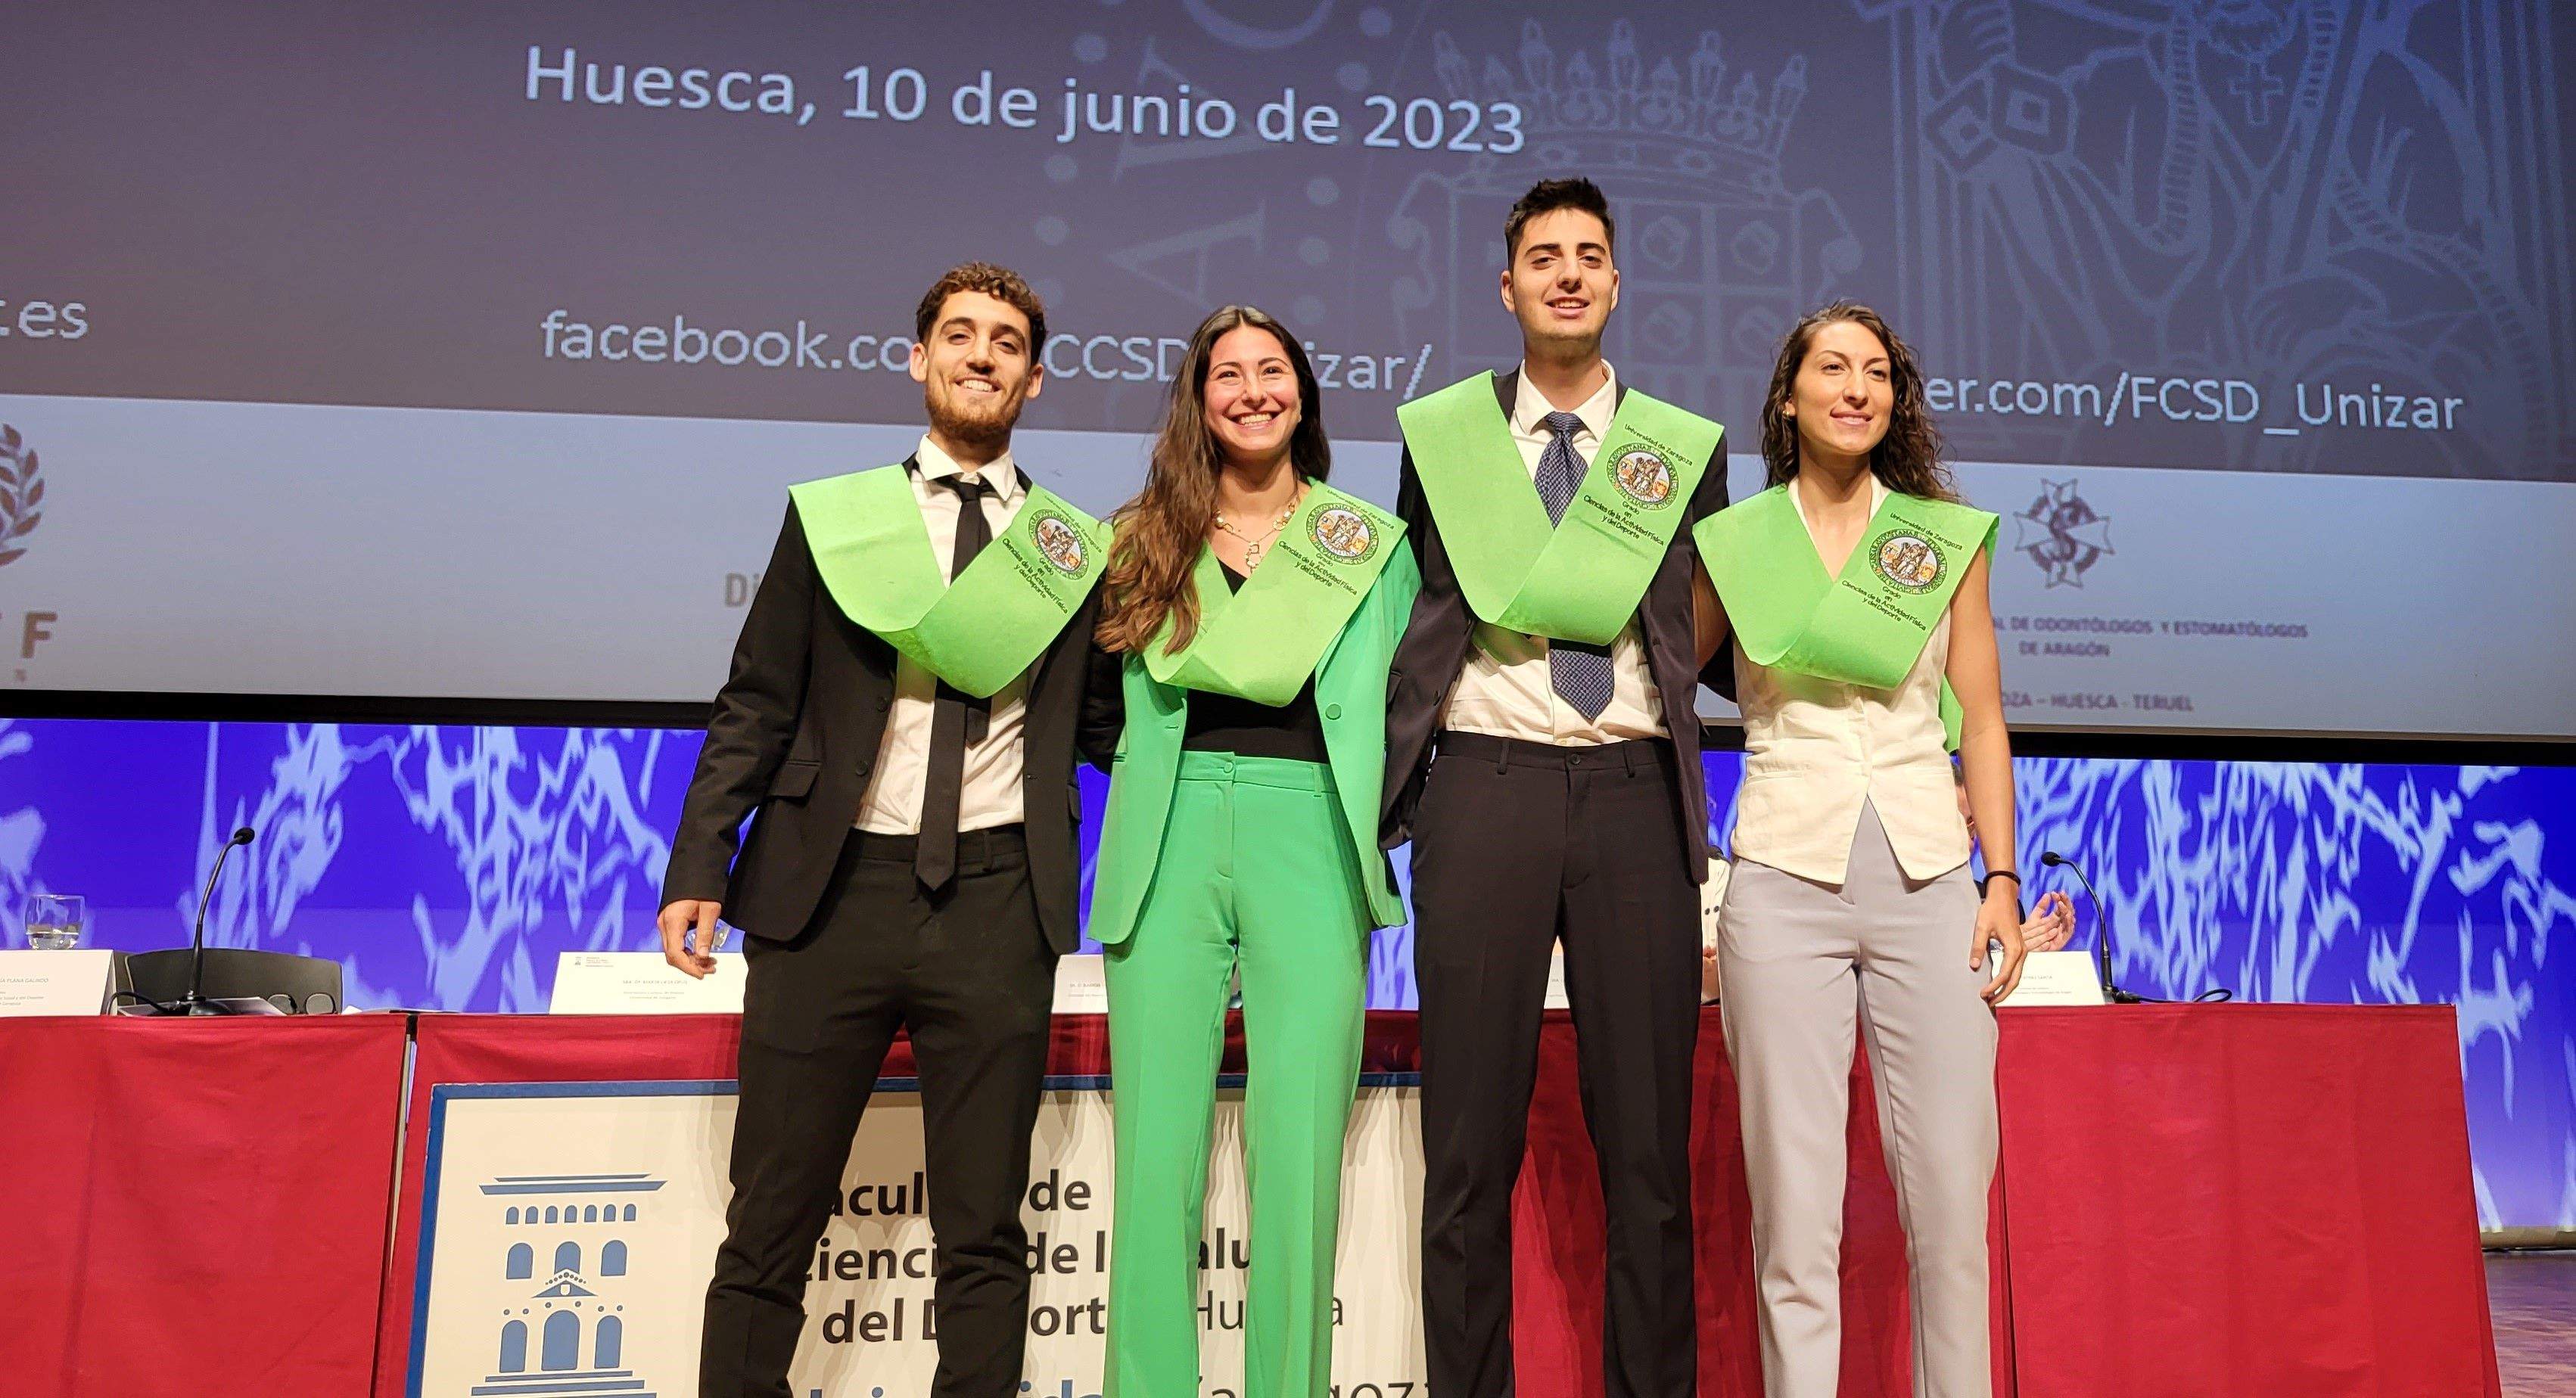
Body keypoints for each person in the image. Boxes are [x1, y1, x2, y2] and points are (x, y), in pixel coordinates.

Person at [657, 263, 1111, 1398]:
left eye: (1006, 342)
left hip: (1001, 900)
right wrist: (701, 859)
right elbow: (756, 700)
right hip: (829, 896)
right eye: (959, 336)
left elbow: (1108, 727)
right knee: (770, 1224)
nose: (981, 355)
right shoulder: (841, 520)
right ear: (919, 361)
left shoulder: (1071, 551)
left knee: (983, 1234)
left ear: (1036, 380)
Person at [1383, 176, 1730, 1398]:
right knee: (1467, 1153)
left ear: (1619, 283)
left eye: (1590, 255)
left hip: (1635, 792)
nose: (1568, 273)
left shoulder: (1682, 450)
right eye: (1544, 256)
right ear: (1508, 285)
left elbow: (1705, 638)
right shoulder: (1447, 440)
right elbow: (1413, 622)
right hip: (1481, 787)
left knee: (1649, 1159)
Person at [1084, 305, 1417, 1398]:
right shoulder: (1138, 539)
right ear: (1198, 399)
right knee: (1156, 1167)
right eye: (1227, 375)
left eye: (1272, 371)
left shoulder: (1367, 544)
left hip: (1310, 830)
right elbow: (1090, 708)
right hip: (1168, 834)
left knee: (1300, 1159)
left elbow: (1412, 706)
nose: (1252, 391)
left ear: (1304, 393)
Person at [1694, 301, 2027, 1396]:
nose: (1854, 388)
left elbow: (1979, 717)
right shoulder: (1735, 546)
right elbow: (1659, 678)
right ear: (1789, 397)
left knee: (1949, 1206)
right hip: (1783, 875)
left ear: (1895, 398)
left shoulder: (1938, 539)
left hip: (1931, 877)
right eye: (1830, 369)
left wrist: (2002, 880)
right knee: (1794, 1209)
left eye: (1874, 372)